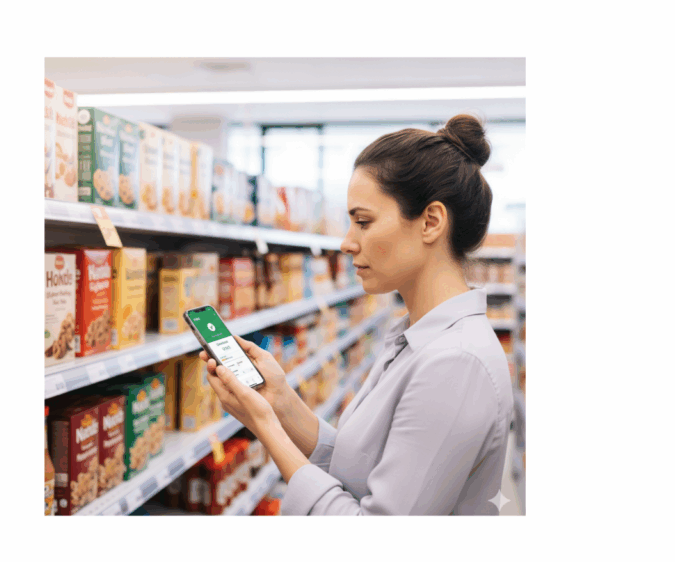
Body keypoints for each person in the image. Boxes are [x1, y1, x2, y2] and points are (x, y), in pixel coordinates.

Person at [200, 114, 513, 515]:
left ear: (431, 222)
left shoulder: (456, 364)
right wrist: (281, 403)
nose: (347, 243)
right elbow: (362, 469)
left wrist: (265, 426)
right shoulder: (417, 338)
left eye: (363, 222)